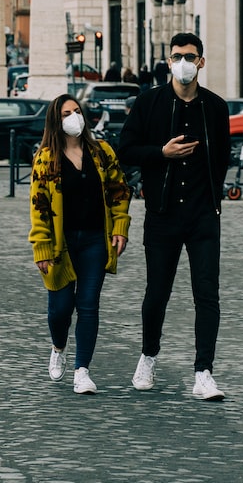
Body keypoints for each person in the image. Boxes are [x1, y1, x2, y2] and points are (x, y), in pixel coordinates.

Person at [117, 32, 230, 401]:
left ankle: (204, 373)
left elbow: (223, 157)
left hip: (202, 216)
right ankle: (148, 357)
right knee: (157, 293)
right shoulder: (149, 103)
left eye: (191, 56)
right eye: (177, 55)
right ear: (169, 61)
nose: (184, 61)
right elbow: (126, 150)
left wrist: (213, 198)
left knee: (207, 294)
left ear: (201, 62)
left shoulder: (215, 107)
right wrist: (160, 153)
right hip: (163, 213)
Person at [29, 95, 133, 394]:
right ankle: (58, 346)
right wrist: (42, 247)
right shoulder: (47, 158)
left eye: (77, 111)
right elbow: (39, 207)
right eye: (66, 113)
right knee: (60, 309)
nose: (73, 117)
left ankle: (82, 370)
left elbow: (119, 190)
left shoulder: (101, 152)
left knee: (88, 305)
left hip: (94, 241)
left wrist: (120, 227)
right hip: (61, 244)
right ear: (56, 120)